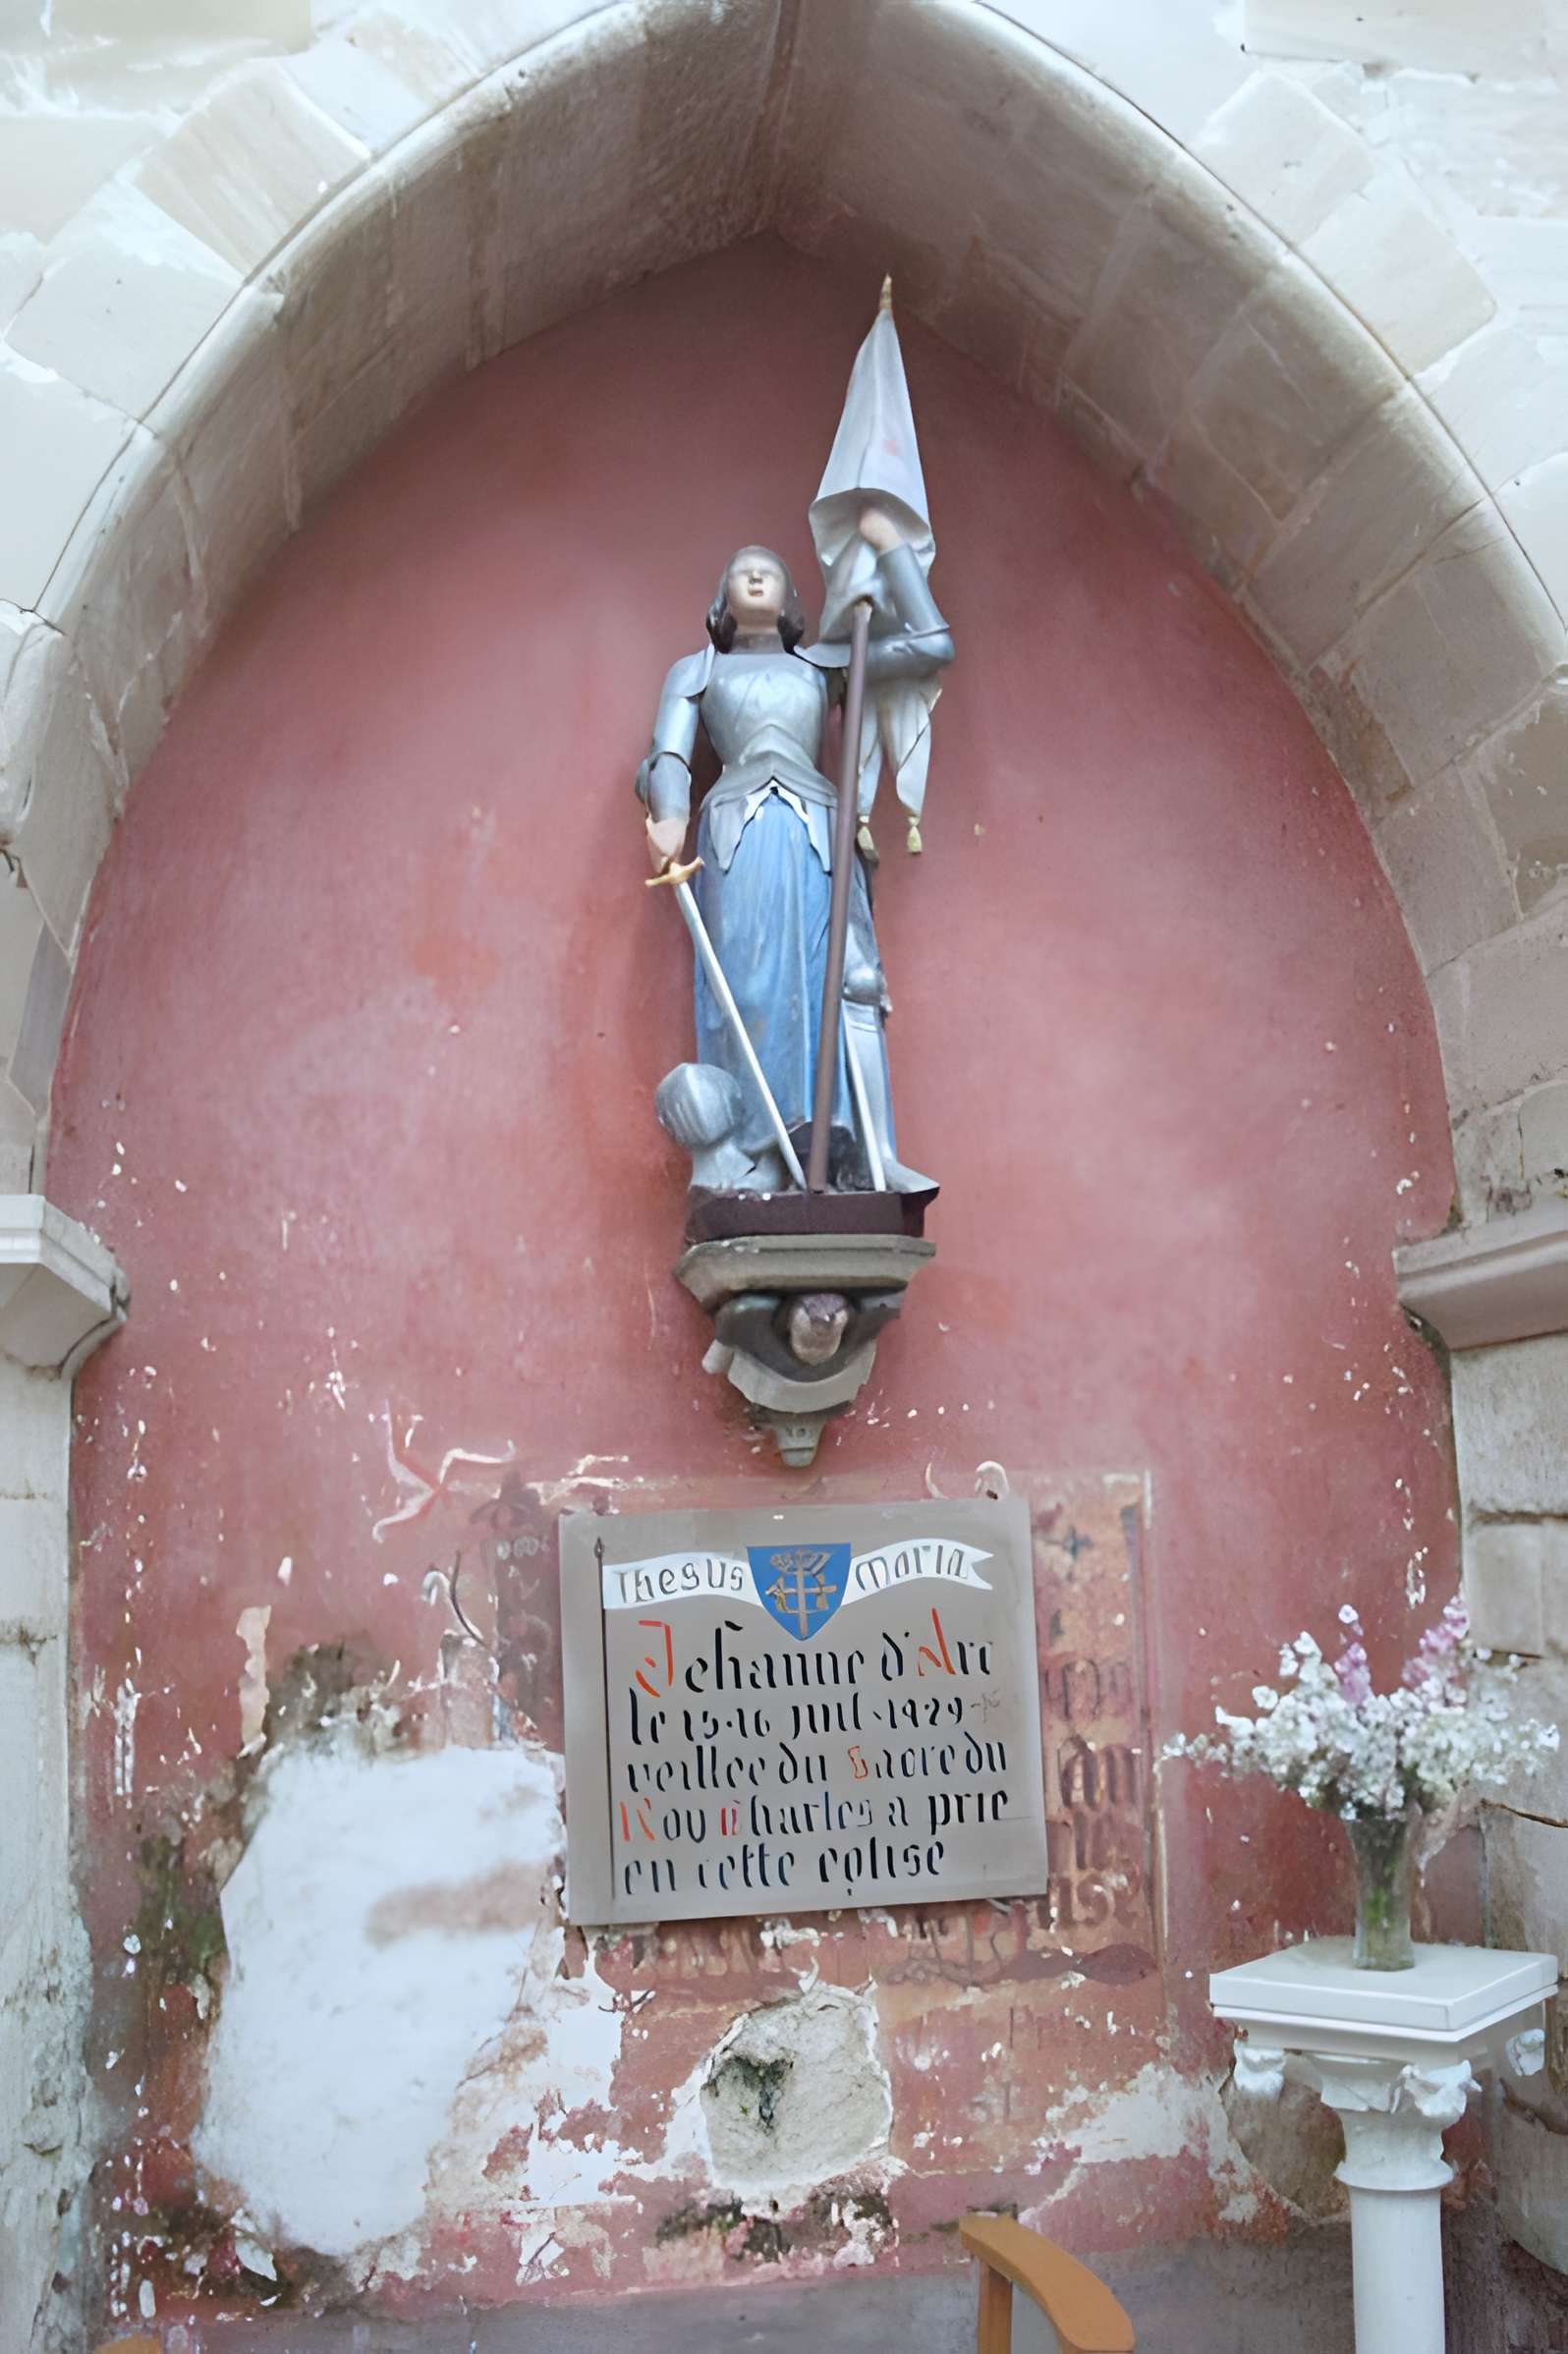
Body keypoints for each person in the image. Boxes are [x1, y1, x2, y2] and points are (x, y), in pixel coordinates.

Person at [638, 506, 953, 1194]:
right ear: (721, 600)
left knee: (848, 983)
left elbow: (931, 643)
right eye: (742, 572)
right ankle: (763, 1154)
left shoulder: (822, 662)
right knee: (750, 988)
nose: (756, 574)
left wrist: (893, 550)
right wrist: (666, 817)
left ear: (791, 600)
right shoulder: (698, 670)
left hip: (821, 829)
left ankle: (866, 1149)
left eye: (770, 570)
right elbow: (668, 755)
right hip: (737, 834)